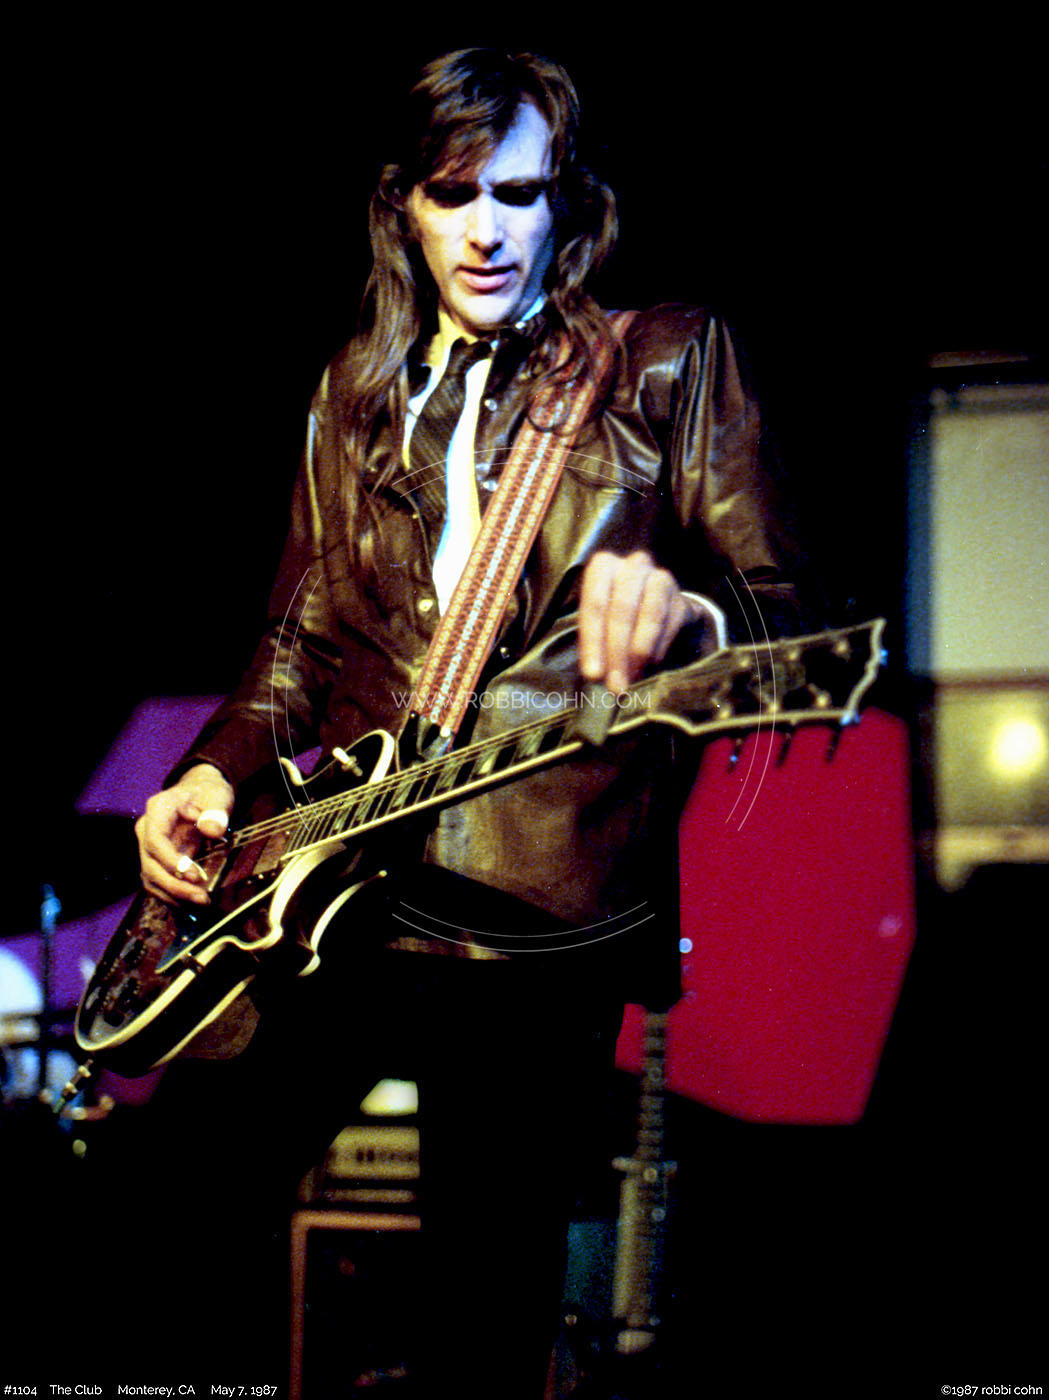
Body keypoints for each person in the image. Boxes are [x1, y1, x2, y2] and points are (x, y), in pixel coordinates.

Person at [130, 48, 811, 1396]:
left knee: (479, 1327)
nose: (488, 229)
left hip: (537, 919)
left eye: (519, 193)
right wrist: (208, 775)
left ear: (568, 203)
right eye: (454, 194)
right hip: (345, 882)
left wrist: (689, 618)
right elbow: (293, 649)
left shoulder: (663, 362)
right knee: (164, 1205)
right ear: (404, 206)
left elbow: (793, 619)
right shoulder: (353, 392)